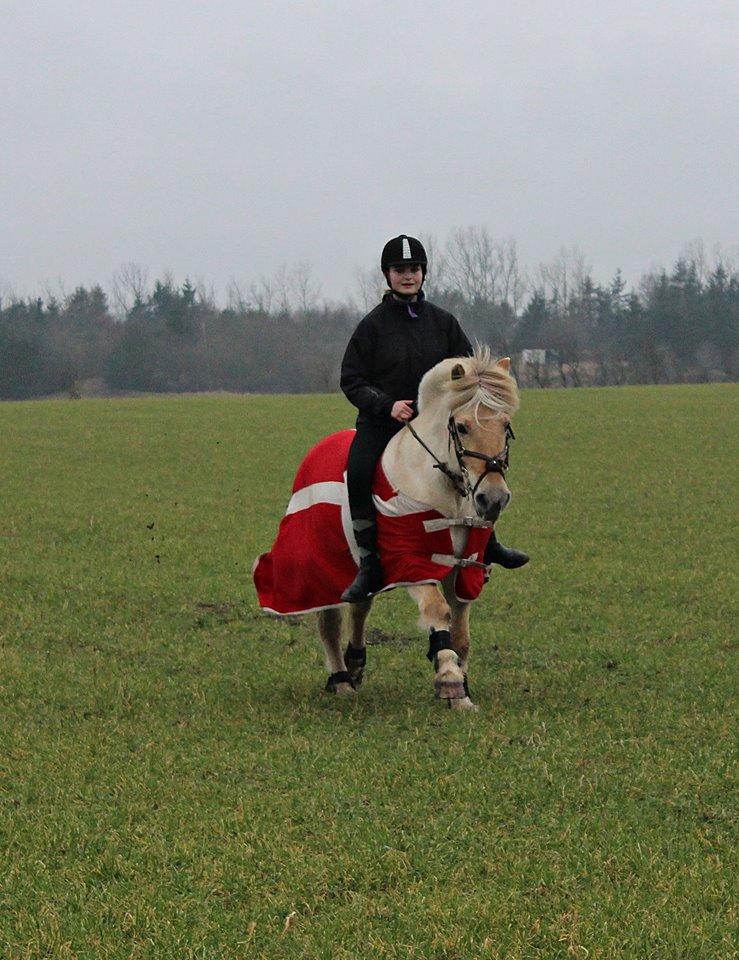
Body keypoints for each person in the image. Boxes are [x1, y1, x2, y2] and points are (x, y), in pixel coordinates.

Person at [339, 234, 528, 603]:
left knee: (481, 469)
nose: (407, 276)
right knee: (358, 472)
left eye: (414, 269)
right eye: (399, 270)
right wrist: (386, 405)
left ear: (423, 273)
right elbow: (351, 379)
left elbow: (470, 372)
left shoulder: (443, 322)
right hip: (384, 423)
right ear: (387, 275)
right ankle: (369, 563)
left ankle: (489, 543)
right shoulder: (372, 326)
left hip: (438, 426)